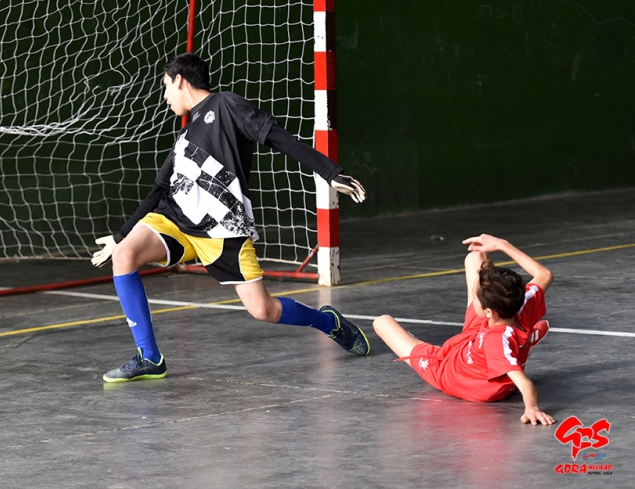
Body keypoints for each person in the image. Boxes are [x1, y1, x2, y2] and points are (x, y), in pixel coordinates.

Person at [91, 52, 370, 383]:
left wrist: (330, 172)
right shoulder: (184, 137)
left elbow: (280, 138)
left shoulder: (226, 105)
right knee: (124, 255)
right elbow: (159, 189)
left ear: (180, 80)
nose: (165, 96)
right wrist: (121, 236)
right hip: (175, 220)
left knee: (263, 310)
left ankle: (328, 322)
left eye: (165, 86)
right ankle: (149, 357)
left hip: (223, 230)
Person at [372, 234, 554, 425]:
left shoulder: (496, 343)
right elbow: (544, 274)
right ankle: (522, 343)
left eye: (475, 297)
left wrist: (532, 409)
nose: (473, 298)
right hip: (478, 335)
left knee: (381, 322)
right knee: (476, 257)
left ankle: (517, 350)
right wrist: (502, 245)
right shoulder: (522, 302)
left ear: (488, 310)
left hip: (452, 372)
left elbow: (525, 384)